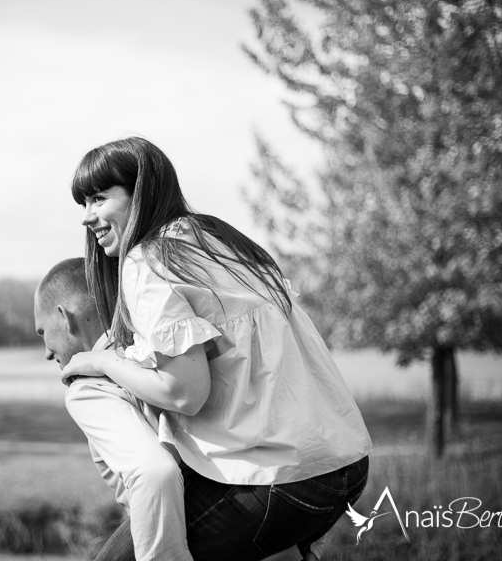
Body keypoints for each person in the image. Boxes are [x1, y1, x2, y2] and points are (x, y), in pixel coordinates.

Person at [59, 136, 373, 561]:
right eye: (84, 203)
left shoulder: (147, 259)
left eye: (98, 198)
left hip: (278, 479)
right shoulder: (221, 241)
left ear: (142, 193)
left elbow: (184, 392)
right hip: (343, 465)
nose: (88, 216)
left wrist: (103, 361)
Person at [34, 258, 305, 561]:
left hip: (184, 521)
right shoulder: (168, 351)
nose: (46, 352)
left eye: (42, 332)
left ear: (65, 317)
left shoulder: (87, 388)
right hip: (257, 502)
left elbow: (155, 474)